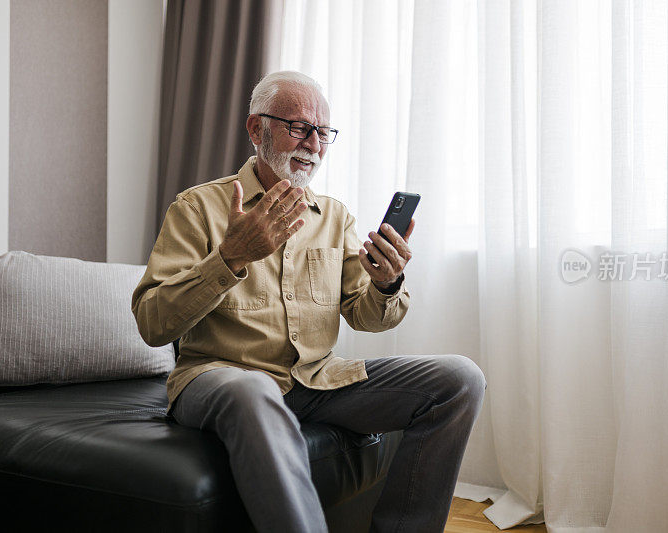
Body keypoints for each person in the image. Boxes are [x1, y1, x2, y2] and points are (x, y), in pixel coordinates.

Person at [131, 70, 486, 533]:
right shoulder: (197, 208)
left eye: (323, 133)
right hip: (220, 380)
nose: (314, 144)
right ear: (256, 129)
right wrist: (231, 257)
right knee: (252, 386)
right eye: (299, 127)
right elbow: (152, 323)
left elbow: (366, 316)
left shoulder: (335, 217)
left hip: (316, 382)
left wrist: (386, 283)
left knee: (460, 378)